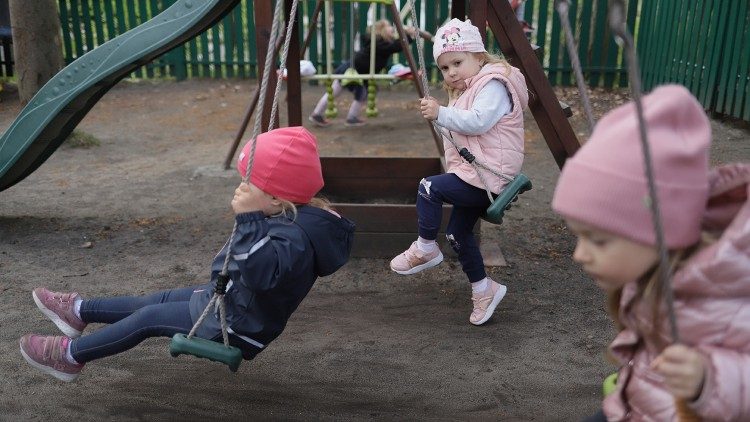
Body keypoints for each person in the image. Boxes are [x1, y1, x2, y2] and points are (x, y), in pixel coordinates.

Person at [19, 126, 356, 382]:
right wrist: (255, 215)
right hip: (230, 299)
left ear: (273, 198)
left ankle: (70, 356)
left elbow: (260, 273)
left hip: (238, 323)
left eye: (247, 182)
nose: (240, 187)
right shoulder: (291, 214)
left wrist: (249, 219)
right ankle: (79, 312)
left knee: (148, 319)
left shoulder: (295, 236)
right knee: (155, 301)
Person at [552, 85, 750, 420]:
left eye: (597, 240)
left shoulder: (728, 293)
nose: (579, 255)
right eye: (578, 237)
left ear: (661, 232)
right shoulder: (652, 272)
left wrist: (708, 379)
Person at [389, 18, 528, 326]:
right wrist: (441, 116)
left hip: (490, 176)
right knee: (457, 233)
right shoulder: (465, 91)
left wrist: (443, 113)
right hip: (474, 174)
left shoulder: (493, 84)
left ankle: (425, 248)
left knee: (429, 186)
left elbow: (479, 122)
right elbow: (455, 137)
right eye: (445, 67)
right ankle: (484, 290)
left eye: (457, 62)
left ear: (479, 56)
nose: (451, 71)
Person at [308, 20, 431, 128]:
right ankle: (317, 114)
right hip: (352, 70)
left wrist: (408, 35)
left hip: (362, 72)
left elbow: (395, 45)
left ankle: (351, 118)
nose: (392, 28)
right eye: (388, 26)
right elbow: (395, 47)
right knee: (335, 91)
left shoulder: (383, 42)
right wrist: (408, 36)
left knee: (361, 94)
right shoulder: (377, 43)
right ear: (381, 30)